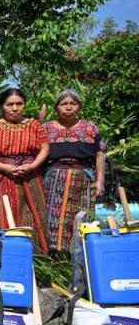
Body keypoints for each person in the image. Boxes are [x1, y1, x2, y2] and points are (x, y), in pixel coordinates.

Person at [0, 88, 50, 253]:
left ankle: (35, 255)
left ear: (24, 105)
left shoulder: (34, 125)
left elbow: (45, 148)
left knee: (33, 212)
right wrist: (3, 167)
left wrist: (32, 166)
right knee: (2, 212)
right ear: (2, 106)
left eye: (19, 104)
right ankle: (1, 252)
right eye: (9, 104)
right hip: (2, 175)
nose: (14, 108)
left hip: (30, 176)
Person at [43, 89, 106, 253]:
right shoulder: (46, 128)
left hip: (83, 178)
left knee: (82, 215)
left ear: (79, 107)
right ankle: (54, 256)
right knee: (52, 215)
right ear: (56, 108)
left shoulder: (89, 127)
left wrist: (100, 181)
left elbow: (100, 154)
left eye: (73, 103)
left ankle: (81, 254)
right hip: (54, 177)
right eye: (64, 104)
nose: (68, 107)